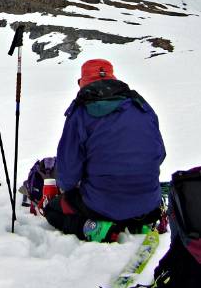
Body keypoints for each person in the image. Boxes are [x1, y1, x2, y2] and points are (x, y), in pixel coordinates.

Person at [45, 58, 166, 242]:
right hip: (149, 203)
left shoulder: (80, 112)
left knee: (53, 210)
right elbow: (160, 154)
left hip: (103, 205)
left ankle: (93, 228)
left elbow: (68, 177)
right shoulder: (141, 105)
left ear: (82, 83)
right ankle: (136, 222)